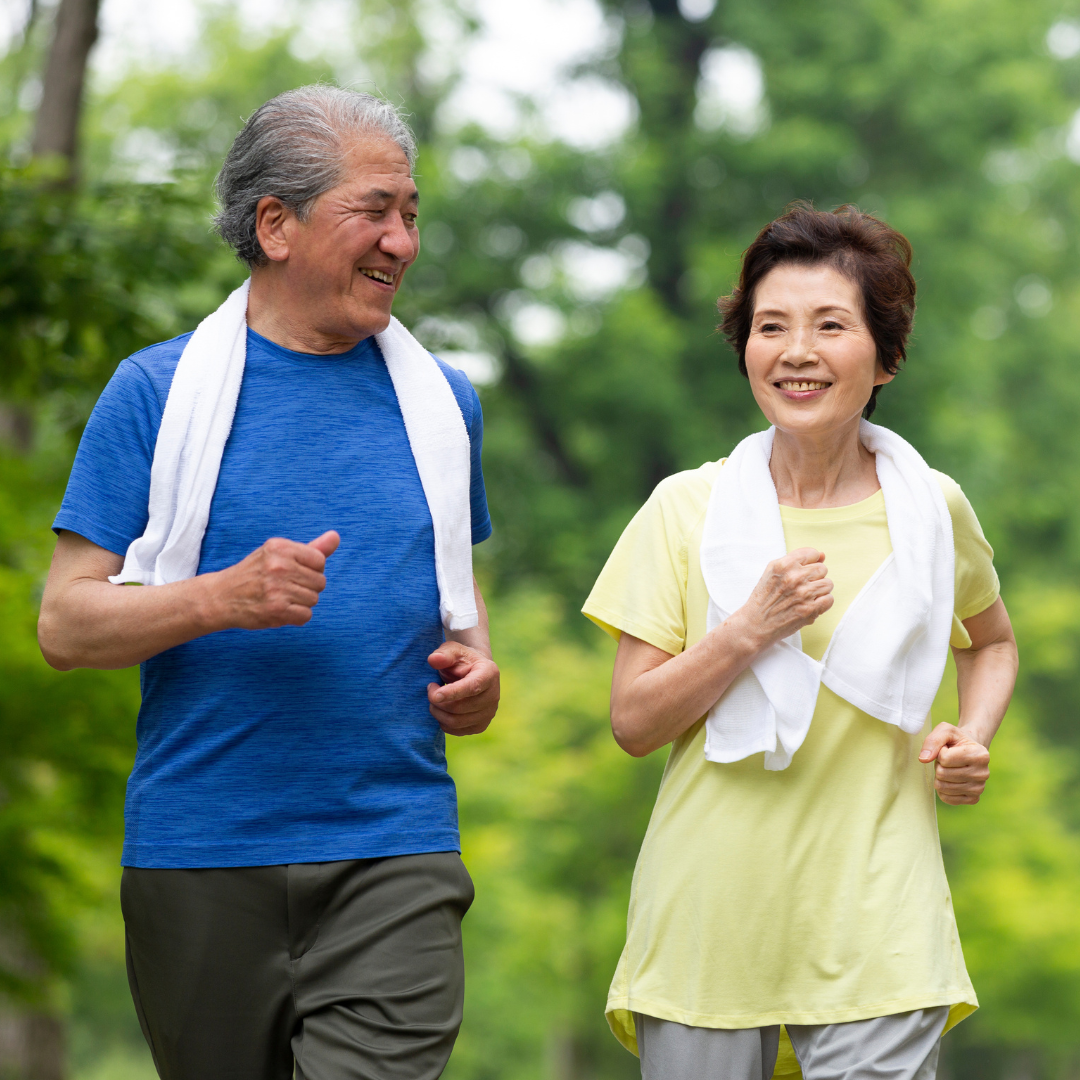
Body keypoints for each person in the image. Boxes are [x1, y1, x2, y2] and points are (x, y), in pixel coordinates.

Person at [37, 86, 500, 1080]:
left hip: (395, 847)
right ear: (275, 224)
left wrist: (480, 671)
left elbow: (460, 599)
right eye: (374, 211)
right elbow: (66, 626)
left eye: (412, 213)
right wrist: (218, 598)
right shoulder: (154, 395)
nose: (403, 241)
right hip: (200, 851)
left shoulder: (444, 404)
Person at [582, 203, 1018, 1080]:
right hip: (709, 924)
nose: (796, 352)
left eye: (831, 326)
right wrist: (748, 629)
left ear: (886, 356)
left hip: (880, 926)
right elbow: (633, 722)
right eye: (770, 327)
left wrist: (971, 735)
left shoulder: (933, 509)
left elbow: (993, 641)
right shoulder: (685, 510)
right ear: (745, 349)